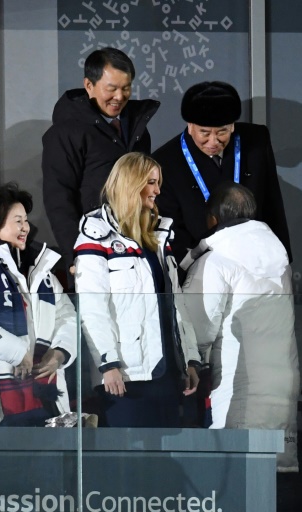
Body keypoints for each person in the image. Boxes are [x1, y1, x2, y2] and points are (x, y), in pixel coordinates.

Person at [179, 183, 300, 509]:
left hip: (236, 388)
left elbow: (199, 329)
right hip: (282, 387)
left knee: (231, 485)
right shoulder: (280, 260)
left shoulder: (216, 260)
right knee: (273, 481)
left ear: (213, 220)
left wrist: (190, 364)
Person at [73, 152, 200, 427]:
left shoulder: (159, 235)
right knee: (128, 463)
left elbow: (177, 305)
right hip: (125, 376)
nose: (157, 190)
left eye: (158, 182)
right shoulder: (96, 236)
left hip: (168, 372)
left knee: (164, 462)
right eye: (151, 182)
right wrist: (108, 365)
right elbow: (92, 309)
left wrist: (189, 359)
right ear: (132, 184)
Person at [0, 183, 77, 426]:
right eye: (18, 221)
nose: (26, 228)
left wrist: (60, 353)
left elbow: (67, 315)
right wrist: (18, 352)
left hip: (46, 395)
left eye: (26, 220)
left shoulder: (38, 266)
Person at [42, 47, 160, 279]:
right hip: (94, 252)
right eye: (111, 89)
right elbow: (59, 199)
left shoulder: (138, 130)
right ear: (89, 86)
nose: (119, 97)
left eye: (126, 88)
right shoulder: (66, 133)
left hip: (137, 248)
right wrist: (75, 255)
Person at [152, 81, 291, 265]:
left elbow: (273, 204)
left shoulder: (256, 141)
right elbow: (171, 229)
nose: (213, 141)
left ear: (232, 126)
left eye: (222, 132)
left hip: (258, 257)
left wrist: (283, 258)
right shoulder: (166, 161)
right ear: (190, 125)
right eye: (204, 132)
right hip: (203, 264)